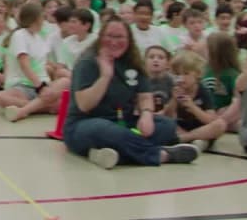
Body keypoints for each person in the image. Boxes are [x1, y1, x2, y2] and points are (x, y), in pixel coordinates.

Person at [62, 17, 199, 169]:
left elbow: (145, 95)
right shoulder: (87, 62)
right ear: (101, 37)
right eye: (109, 36)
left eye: (120, 37)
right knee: (106, 130)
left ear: (129, 40)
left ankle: (110, 154)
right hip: (85, 126)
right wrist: (105, 76)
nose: (114, 42)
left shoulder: (133, 62)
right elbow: (84, 105)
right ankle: (161, 154)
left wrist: (146, 114)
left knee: (166, 125)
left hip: (123, 123)